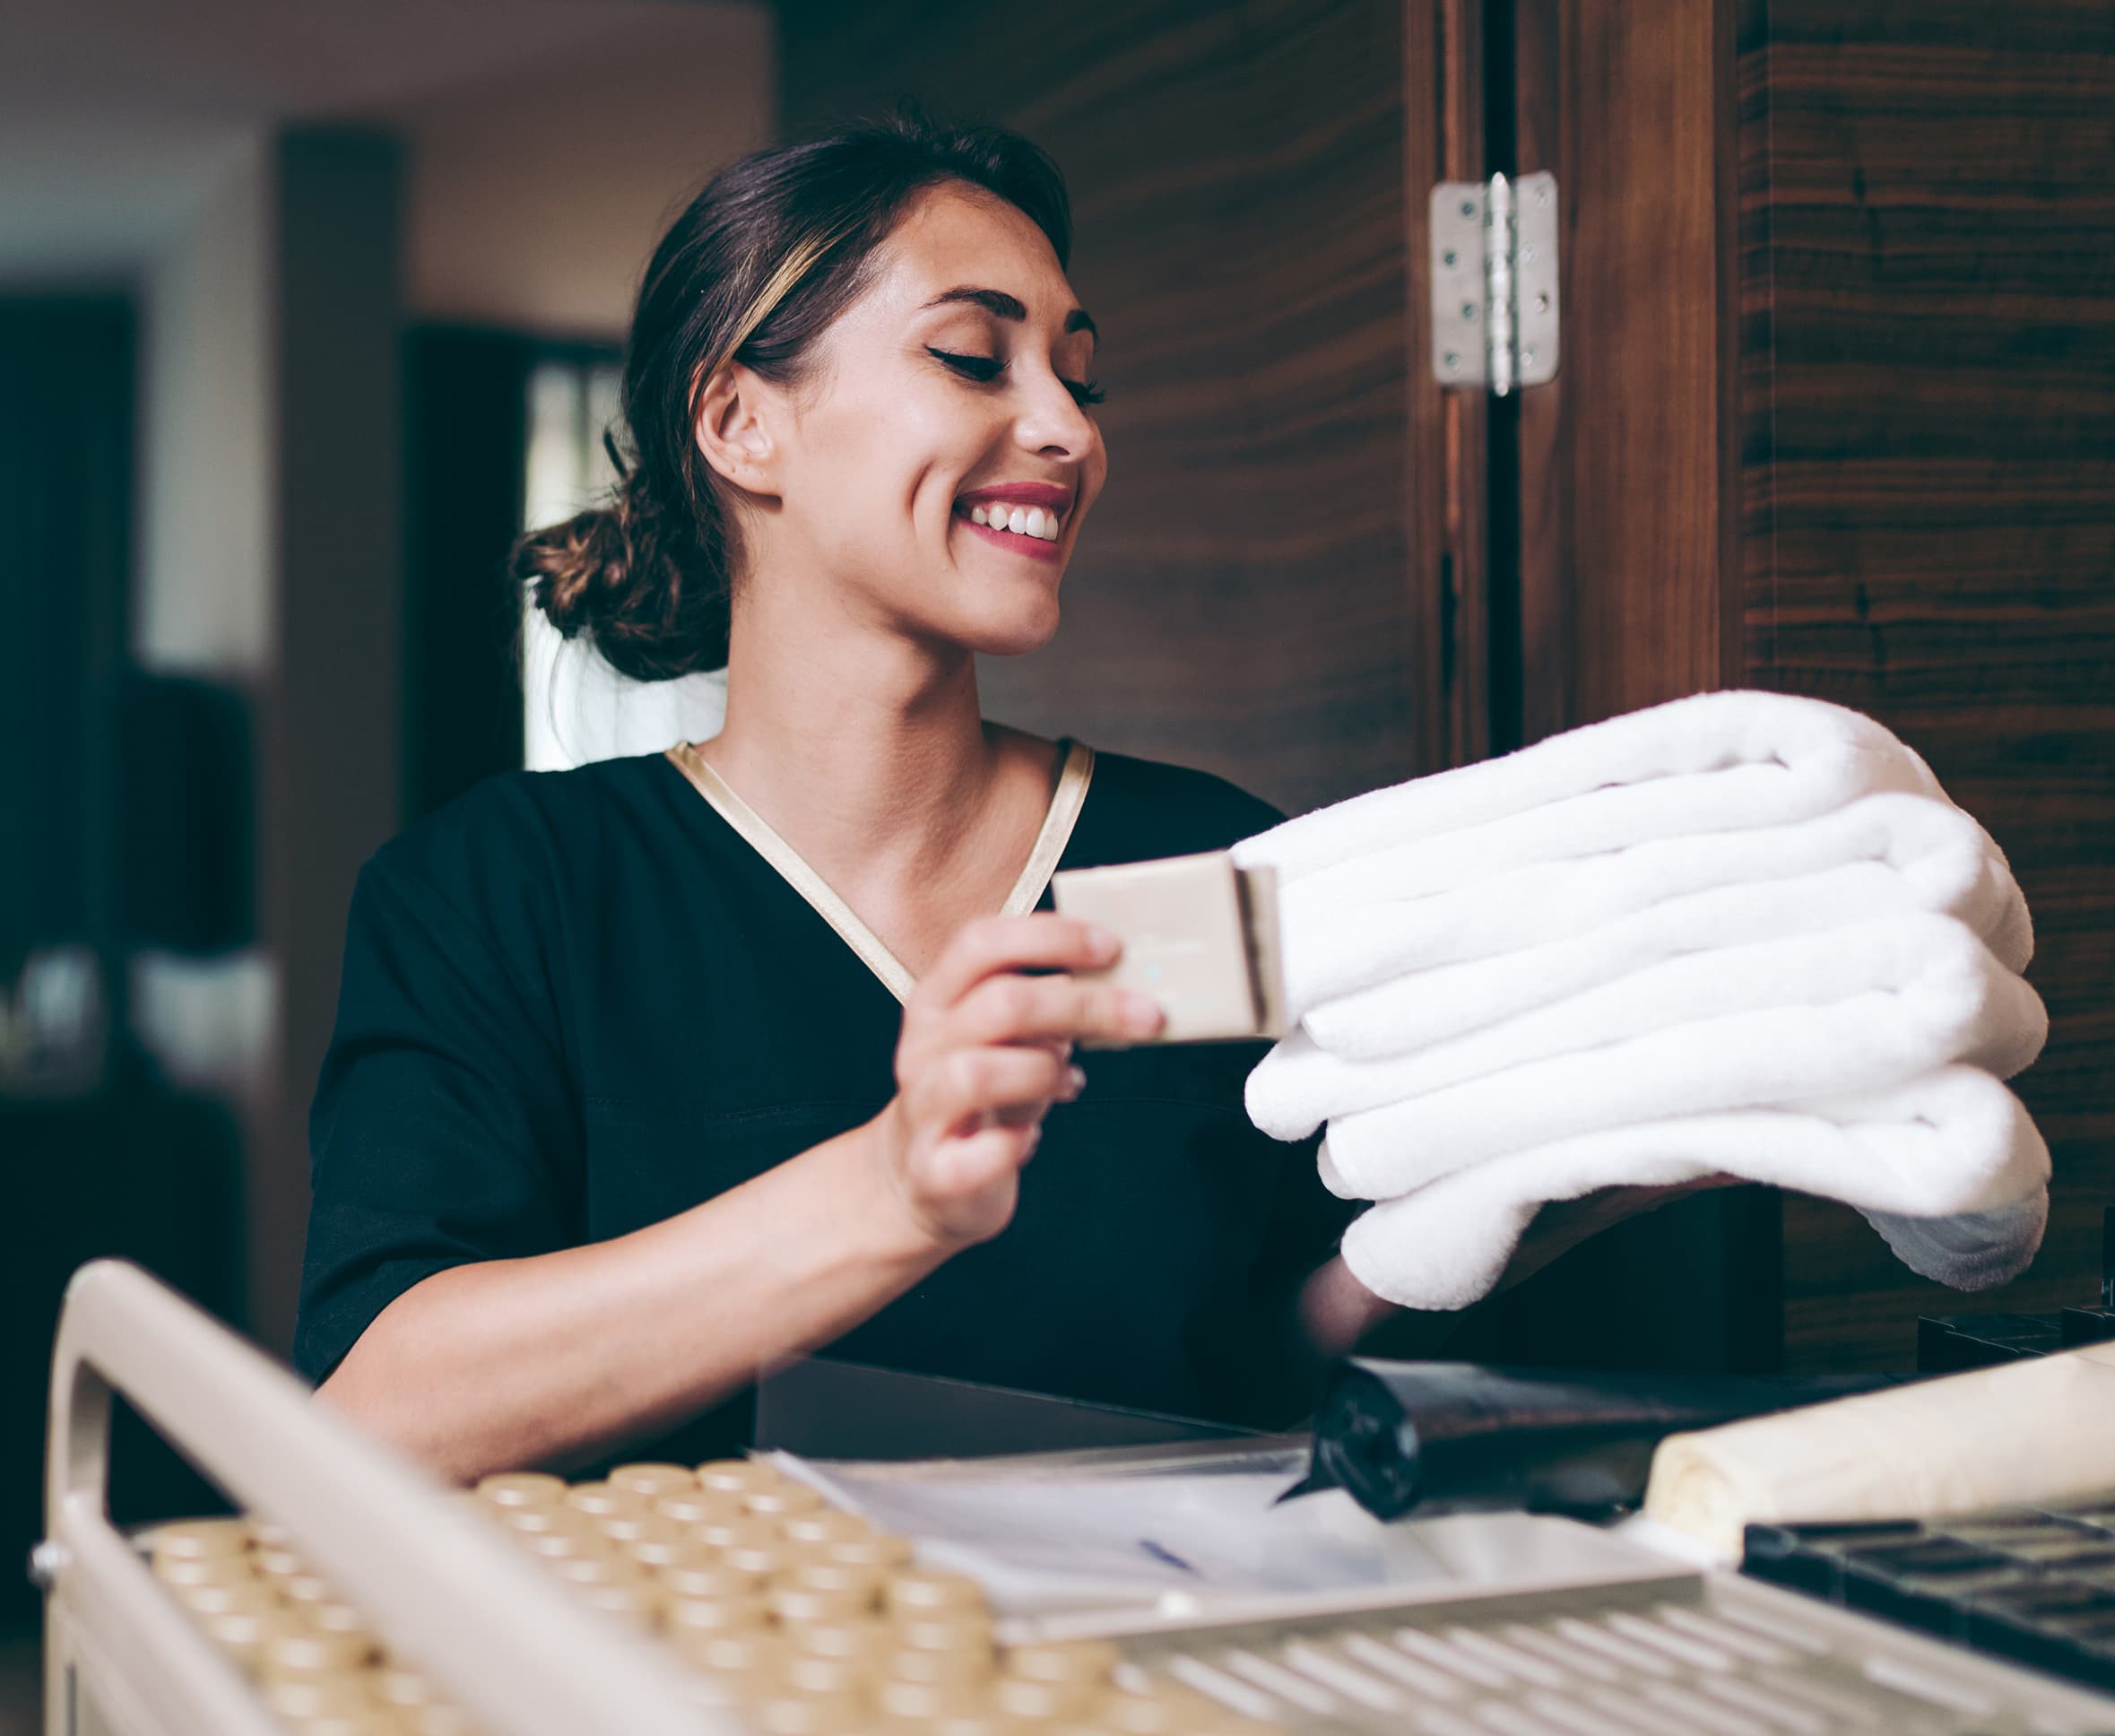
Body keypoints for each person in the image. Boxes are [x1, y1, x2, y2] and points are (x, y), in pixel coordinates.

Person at [297, 110, 1719, 1485]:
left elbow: (1258, 1352)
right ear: (738, 422)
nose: (1067, 431)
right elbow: (379, 1414)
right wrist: (892, 1195)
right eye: (975, 357)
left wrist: (1534, 1187)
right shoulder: (508, 895)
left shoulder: (1199, 867)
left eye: (1079, 379)